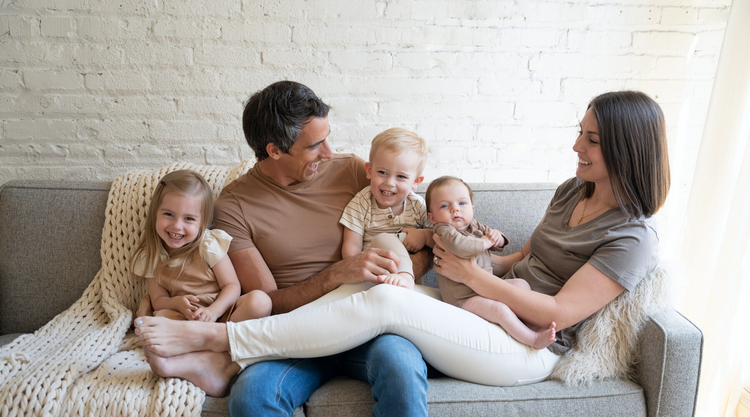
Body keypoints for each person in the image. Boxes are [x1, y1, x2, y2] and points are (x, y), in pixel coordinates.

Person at [136, 90, 669, 390]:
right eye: (580, 129)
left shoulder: (632, 236)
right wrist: (491, 263)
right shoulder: (572, 190)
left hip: (529, 345)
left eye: (591, 138)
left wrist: (470, 273)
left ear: (626, 148)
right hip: (482, 307)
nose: (575, 144)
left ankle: (218, 342)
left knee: (386, 298)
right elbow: (526, 262)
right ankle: (226, 363)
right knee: (366, 290)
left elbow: (560, 309)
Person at [138, 81, 433, 414]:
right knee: (252, 396)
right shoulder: (234, 206)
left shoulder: (353, 171)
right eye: (315, 146)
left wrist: (402, 269)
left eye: (327, 138)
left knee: (402, 368)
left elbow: (421, 235)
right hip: (291, 338)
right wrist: (336, 274)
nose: (329, 153)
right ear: (275, 149)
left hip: (368, 328)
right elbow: (268, 303)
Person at [130, 170, 271, 394]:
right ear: (155, 214)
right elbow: (159, 300)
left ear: (202, 222)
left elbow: (232, 286)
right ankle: (197, 354)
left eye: (189, 219)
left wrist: (214, 312)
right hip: (185, 317)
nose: (177, 226)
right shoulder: (152, 255)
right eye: (168, 214)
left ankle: (207, 348)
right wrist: (177, 304)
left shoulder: (208, 245)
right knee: (162, 316)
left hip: (221, 315)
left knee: (260, 302)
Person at [425, 175, 557, 350]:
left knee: (521, 284)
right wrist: (485, 242)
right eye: (445, 206)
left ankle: (528, 324)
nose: (455, 210)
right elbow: (461, 246)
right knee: (499, 310)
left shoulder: (473, 225)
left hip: (485, 287)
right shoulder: (444, 230)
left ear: (472, 208)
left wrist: (498, 238)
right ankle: (532, 339)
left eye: (462, 203)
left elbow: (495, 238)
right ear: (432, 217)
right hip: (463, 298)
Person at [340, 127, 433, 289]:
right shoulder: (361, 203)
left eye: (401, 176)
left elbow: (439, 239)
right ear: (369, 170)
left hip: (408, 280)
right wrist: (358, 270)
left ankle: (405, 277)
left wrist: (424, 235)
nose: (389, 182)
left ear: (416, 182)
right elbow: (351, 246)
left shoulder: (418, 206)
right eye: (382, 172)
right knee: (384, 238)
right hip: (371, 276)